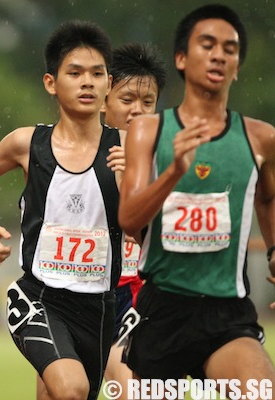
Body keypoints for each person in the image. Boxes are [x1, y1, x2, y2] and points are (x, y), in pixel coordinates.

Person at [119, 3, 275, 395]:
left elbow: (268, 198)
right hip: (162, 310)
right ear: (182, 58)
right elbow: (129, 219)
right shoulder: (148, 132)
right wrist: (173, 172)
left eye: (230, 48)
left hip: (227, 311)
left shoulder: (261, 138)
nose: (219, 54)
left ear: (237, 66)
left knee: (262, 390)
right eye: (207, 44)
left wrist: (274, 251)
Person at [0, 20, 124, 400]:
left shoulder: (129, 148)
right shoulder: (26, 143)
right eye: (75, 73)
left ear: (108, 84)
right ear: (51, 83)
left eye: (96, 73)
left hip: (100, 305)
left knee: (63, 395)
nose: (87, 82)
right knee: (70, 388)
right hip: (39, 297)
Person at [101, 42, 166, 398]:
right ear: (103, 100)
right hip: (91, 293)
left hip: (149, 293)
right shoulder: (78, 153)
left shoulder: (170, 157)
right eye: (127, 100)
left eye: (148, 102)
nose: (137, 111)